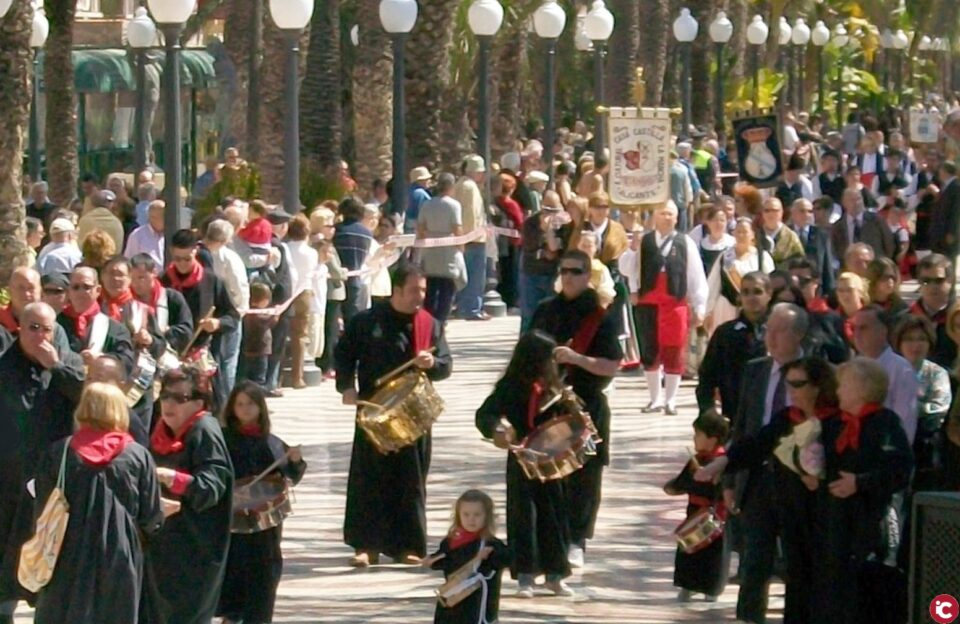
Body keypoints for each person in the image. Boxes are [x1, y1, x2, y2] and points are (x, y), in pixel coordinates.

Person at [699, 357, 841, 623]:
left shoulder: (838, 421)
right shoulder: (787, 418)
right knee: (796, 577)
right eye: (788, 384)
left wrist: (820, 479)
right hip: (794, 511)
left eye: (798, 384)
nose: (791, 391)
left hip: (829, 514)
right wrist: (721, 463)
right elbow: (755, 445)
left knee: (826, 582)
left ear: (819, 386)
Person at [335, 263, 453, 566]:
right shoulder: (366, 321)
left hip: (413, 418)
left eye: (423, 290)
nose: (420, 296)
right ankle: (366, 545)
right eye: (414, 290)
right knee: (369, 479)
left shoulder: (430, 325)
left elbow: (446, 365)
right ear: (397, 290)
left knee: (411, 480)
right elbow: (345, 355)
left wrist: (432, 364)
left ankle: (408, 545)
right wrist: (347, 387)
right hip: (375, 411)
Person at [32, 383, 166, 624]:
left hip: (65, 550)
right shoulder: (137, 455)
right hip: (119, 551)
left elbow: (42, 505)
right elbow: (151, 515)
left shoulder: (59, 452)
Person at [530, 249, 622, 567]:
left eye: (576, 271)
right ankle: (551, 539)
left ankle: (577, 539)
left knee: (585, 478)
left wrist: (577, 359)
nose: (568, 277)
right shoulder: (544, 310)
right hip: (549, 404)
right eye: (564, 271)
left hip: (586, 404)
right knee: (549, 476)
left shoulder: (601, 316)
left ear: (587, 276)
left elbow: (612, 364)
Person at [724, 303, 807, 624]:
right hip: (757, 477)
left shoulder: (814, 371)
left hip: (798, 478)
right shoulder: (755, 369)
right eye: (767, 329)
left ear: (798, 334)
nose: (769, 337)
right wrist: (730, 481)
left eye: (779, 330)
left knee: (796, 558)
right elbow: (742, 426)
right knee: (755, 558)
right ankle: (749, 617)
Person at [0, 302, 84, 616]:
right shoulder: (5, 366)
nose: (39, 335)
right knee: (8, 549)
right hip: (9, 476)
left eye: (46, 329)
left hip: (54, 479)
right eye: (32, 328)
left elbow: (85, 396)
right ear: (19, 328)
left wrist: (56, 367)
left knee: (52, 550)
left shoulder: (67, 361)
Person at [475, 330, 574, 597]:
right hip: (521, 460)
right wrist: (498, 429)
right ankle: (526, 576)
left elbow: (572, 421)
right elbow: (486, 414)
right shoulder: (510, 386)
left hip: (552, 461)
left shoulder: (556, 388)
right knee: (524, 517)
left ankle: (556, 574)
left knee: (555, 515)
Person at [816, 358, 913, 623]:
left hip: (871, 523)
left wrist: (860, 482)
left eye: (843, 385)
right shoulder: (835, 425)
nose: (837, 391)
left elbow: (900, 469)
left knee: (870, 596)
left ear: (862, 388)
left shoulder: (885, 422)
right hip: (837, 525)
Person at [143, 367, 233, 624]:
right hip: (164, 548)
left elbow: (212, 487)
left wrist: (172, 479)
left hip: (195, 550)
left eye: (179, 398)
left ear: (198, 403)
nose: (168, 403)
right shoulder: (162, 430)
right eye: (165, 396)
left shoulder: (204, 430)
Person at [217, 382, 306, 624]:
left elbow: (293, 475)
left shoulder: (271, 442)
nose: (245, 410)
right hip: (233, 521)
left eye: (251, 404)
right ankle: (231, 615)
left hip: (265, 524)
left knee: (264, 571)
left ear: (261, 408)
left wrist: (296, 460)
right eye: (240, 404)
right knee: (234, 569)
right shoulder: (222, 440)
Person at [630, 201, 708, 415]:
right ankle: (654, 399)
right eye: (662, 213)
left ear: (676, 217)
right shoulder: (644, 241)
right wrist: (633, 251)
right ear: (655, 216)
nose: (666, 217)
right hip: (648, 304)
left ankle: (671, 400)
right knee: (650, 351)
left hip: (675, 305)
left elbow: (696, 276)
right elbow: (629, 268)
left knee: (674, 352)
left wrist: (699, 306)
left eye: (670, 214)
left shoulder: (686, 243)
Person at [162, 229, 239, 410]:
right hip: (170, 354)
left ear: (195, 251)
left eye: (187, 259)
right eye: (177, 259)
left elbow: (233, 316)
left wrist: (218, 323)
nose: (182, 264)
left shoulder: (211, 281)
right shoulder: (163, 281)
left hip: (203, 354)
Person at [664, 410, 730, 603]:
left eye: (698, 435)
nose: (694, 439)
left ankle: (711, 588)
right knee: (689, 550)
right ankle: (688, 585)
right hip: (693, 512)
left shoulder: (721, 461)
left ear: (712, 439)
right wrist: (673, 486)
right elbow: (681, 483)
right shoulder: (698, 459)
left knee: (713, 554)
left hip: (714, 515)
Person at [423, 489, 511, 623]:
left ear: (487, 516)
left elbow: (508, 559)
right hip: (453, 601)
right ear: (458, 515)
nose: (471, 519)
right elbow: (443, 560)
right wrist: (430, 561)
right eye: (466, 514)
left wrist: (488, 556)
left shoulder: (491, 544)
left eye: (477, 514)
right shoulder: (451, 541)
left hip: (477, 606)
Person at [697, 272, 772, 417]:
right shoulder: (725, 333)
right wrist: (707, 410)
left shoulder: (779, 329)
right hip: (735, 414)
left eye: (757, 292)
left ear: (769, 294)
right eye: (745, 292)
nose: (751, 297)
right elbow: (707, 376)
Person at [893, 315, 951, 491]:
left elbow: (939, 407)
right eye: (909, 339)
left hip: (924, 446)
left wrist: (907, 407)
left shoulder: (937, 373)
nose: (915, 345)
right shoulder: (890, 371)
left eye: (921, 339)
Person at [58, 265, 136, 376]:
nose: (81, 292)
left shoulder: (115, 329)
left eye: (86, 287)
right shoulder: (55, 323)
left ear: (98, 290)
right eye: (75, 287)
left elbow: (127, 362)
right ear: (69, 291)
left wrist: (100, 358)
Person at [417, 173, 465, 323]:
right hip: (448, 250)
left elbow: (420, 227)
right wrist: (461, 246)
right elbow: (457, 228)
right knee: (447, 289)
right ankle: (441, 322)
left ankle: (427, 320)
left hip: (431, 250)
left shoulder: (427, 204)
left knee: (430, 289)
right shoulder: (454, 205)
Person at [130, 253, 194, 356]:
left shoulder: (172, 298)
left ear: (154, 273)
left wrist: (163, 332)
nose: (136, 284)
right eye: (132, 279)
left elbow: (186, 332)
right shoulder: (127, 301)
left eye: (141, 278)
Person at [519, 195, 567, 330]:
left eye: (554, 211)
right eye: (547, 210)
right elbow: (530, 247)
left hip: (552, 273)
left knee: (550, 314)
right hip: (531, 273)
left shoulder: (562, 225)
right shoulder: (530, 223)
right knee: (529, 314)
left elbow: (555, 250)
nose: (551, 215)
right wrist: (543, 230)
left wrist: (551, 230)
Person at [453, 155, 490, 321]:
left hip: (464, 238)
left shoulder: (460, 185)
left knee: (464, 276)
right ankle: (472, 308)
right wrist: (473, 235)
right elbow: (471, 215)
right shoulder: (470, 187)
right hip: (474, 239)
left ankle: (464, 306)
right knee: (475, 277)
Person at [910, 253, 957, 370]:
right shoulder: (905, 319)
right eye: (926, 281)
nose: (932, 286)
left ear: (950, 281)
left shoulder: (957, 316)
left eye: (938, 280)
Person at [333, 197, 374, 325]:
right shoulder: (367, 233)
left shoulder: (337, 231)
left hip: (335, 282)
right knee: (351, 320)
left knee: (332, 322)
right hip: (356, 279)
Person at [831, 188, 895, 262]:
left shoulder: (876, 220)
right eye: (852, 200)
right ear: (844, 203)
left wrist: (883, 262)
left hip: (875, 266)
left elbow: (889, 243)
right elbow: (835, 251)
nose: (856, 202)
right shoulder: (838, 227)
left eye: (859, 199)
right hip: (850, 269)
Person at [241, 282, 279, 386]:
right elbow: (265, 323)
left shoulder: (251, 312)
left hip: (250, 350)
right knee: (259, 376)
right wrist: (275, 316)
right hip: (260, 350)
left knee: (251, 376)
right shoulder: (255, 313)